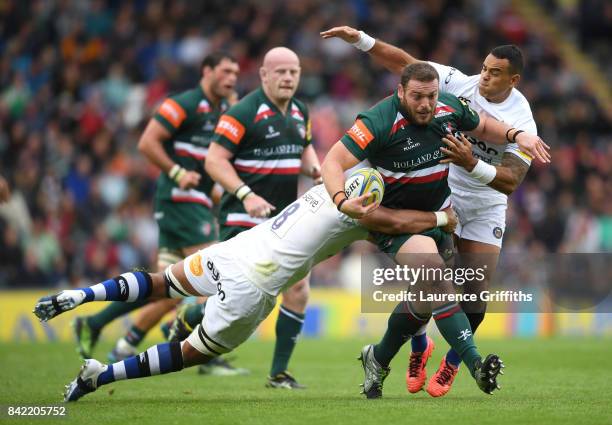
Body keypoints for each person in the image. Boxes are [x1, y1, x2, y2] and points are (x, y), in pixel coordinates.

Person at [33, 183, 461, 402]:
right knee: (189, 353)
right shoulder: (361, 214)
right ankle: (100, 375)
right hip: (254, 286)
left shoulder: (321, 190)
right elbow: (400, 224)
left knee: (162, 282)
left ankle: (83, 295)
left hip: (232, 251)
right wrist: (443, 218)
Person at [321, 26, 543, 397]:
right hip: (444, 192)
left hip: (486, 199)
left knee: (472, 295)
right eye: (484, 68)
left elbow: (509, 182)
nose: (484, 76)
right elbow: (406, 63)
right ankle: (440, 354)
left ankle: (441, 361)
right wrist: (361, 40)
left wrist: (484, 155)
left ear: (514, 80)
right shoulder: (457, 85)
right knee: (432, 279)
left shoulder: (523, 120)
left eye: (494, 73)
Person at [71, 52, 243, 375]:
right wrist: (178, 173)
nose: (232, 77)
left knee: (169, 289)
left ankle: (105, 332)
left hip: (196, 204)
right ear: (206, 71)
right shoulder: (182, 103)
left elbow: (211, 166)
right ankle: (201, 349)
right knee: (212, 274)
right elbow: (147, 143)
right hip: (180, 203)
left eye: (235, 72)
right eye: (225, 71)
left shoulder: (221, 111)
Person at [203, 46, 321, 388]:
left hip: (285, 221)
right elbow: (214, 160)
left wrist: (315, 170)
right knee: (240, 301)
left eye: (293, 72)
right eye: (280, 72)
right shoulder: (242, 112)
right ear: (264, 75)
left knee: (298, 288)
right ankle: (189, 320)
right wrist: (246, 195)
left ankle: (278, 373)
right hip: (242, 217)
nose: (287, 78)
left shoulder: (300, 111)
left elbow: (305, 148)